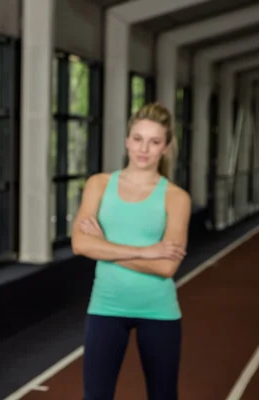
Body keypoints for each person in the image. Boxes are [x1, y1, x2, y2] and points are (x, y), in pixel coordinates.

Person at [71, 102, 191, 399]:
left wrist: (105, 248)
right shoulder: (98, 185)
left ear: (165, 147)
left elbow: (167, 267)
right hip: (105, 308)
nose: (144, 149)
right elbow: (80, 244)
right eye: (137, 139)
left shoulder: (177, 197)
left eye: (154, 142)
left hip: (159, 311)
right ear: (127, 141)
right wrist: (148, 251)